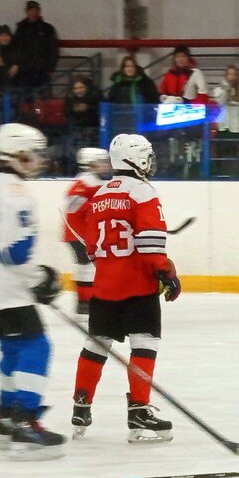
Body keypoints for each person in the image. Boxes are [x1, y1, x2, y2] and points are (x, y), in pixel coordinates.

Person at [0, 123, 65, 458]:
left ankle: (6, 416)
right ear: (16, 156)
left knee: (13, 347)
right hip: (2, 281)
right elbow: (15, 252)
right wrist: (39, 278)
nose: (38, 160)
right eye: (33, 154)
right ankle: (24, 420)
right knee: (37, 347)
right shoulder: (16, 191)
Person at [67, 133, 180, 443]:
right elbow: (149, 243)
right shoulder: (143, 192)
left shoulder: (101, 194)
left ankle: (81, 406)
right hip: (137, 284)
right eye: (147, 155)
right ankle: (139, 413)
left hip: (103, 285)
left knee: (96, 344)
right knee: (145, 343)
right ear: (136, 158)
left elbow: (87, 238)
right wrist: (166, 272)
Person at [63, 147, 111, 314]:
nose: (105, 165)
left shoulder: (93, 181)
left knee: (88, 268)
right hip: (78, 234)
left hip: (84, 234)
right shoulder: (84, 181)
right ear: (90, 164)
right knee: (88, 268)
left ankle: (85, 303)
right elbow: (76, 204)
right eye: (101, 162)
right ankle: (86, 303)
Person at [13, 0, 60, 91]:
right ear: (26, 11)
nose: (33, 13)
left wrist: (50, 68)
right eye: (31, 10)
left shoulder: (47, 29)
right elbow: (16, 48)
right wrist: (17, 64)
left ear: (39, 11)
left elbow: (53, 50)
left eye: (35, 10)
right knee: (26, 99)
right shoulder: (21, 29)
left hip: (42, 71)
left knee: (44, 100)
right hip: (24, 71)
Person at [211, 64, 239, 136]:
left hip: (237, 127)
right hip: (223, 126)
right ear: (226, 76)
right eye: (229, 74)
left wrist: (237, 90)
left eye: (234, 74)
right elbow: (220, 102)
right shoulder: (219, 89)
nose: (231, 77)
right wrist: (226, 89)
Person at [63, 76, 102, 147]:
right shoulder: (70, 97)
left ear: (87, 87)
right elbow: (66, 112)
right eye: (75, 88)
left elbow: (101, 111)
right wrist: (74, 110)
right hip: (76, 127)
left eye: (81, 87)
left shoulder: (96, 95)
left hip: (94, 127)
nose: (78, 91)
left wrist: (88, 108)